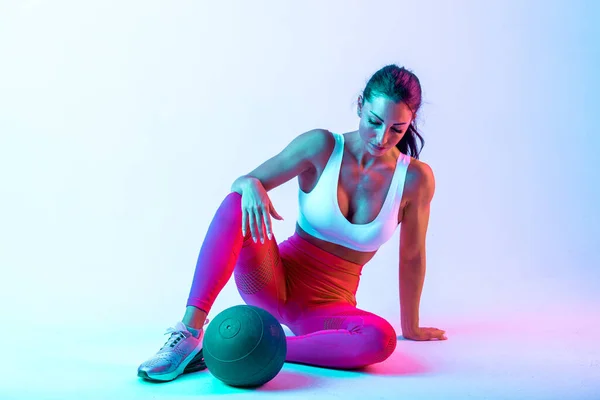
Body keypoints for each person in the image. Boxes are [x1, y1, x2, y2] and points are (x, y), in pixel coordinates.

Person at [137, 64, 447, 382]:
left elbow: (412, 257)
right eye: (374, 121)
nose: (382, 137)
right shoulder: (321, 147)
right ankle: (188, 333)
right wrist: (251, 187)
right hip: (272, 283)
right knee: (236, 204)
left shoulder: (414, 179)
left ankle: (264, 346)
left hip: (325, 309)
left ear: (410, 123)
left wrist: (411, 326)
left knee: (379, 339)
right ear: (360, 105)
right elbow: (245, 182)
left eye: (397, 129)